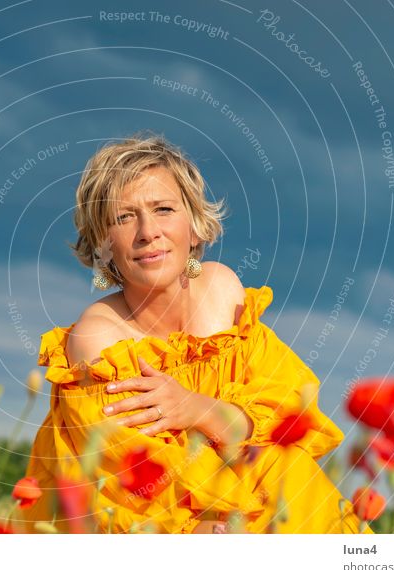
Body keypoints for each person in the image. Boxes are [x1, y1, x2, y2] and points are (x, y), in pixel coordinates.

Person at [19, 132, 370, 534]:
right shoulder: (98, 340)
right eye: (124, 216)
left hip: (261, 501)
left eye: (163, 208)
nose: (148, 231)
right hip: (164, 530)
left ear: (196, 226)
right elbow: (130, 485)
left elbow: (282, 411)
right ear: (104, 245)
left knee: (296, 482)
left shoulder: (222, 291)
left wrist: (196, 407)